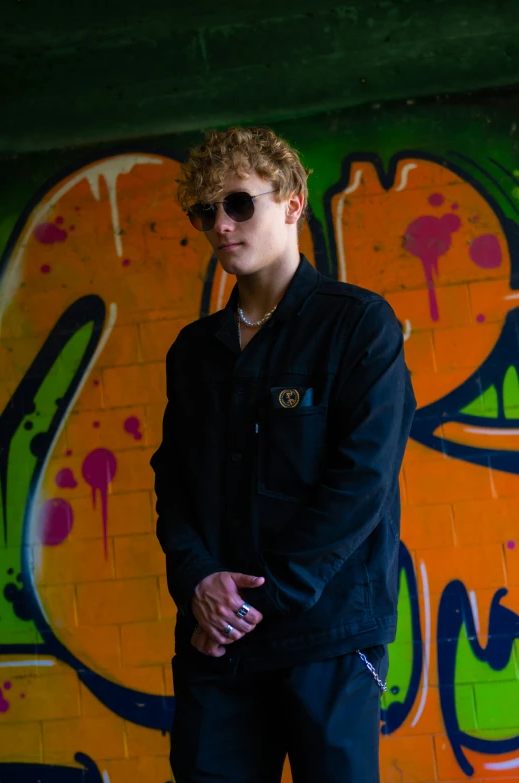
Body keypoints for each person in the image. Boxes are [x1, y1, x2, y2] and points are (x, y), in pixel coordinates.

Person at [150, 126, 416, 783]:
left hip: (328, 638)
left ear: (293, 203)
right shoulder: (193, 353)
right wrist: (197, 582)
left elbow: (361, 484)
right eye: (204, 210)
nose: (220, 224)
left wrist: (252, 602)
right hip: (218, 648)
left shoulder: (358, 326)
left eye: (238, 203)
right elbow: (173, 486)